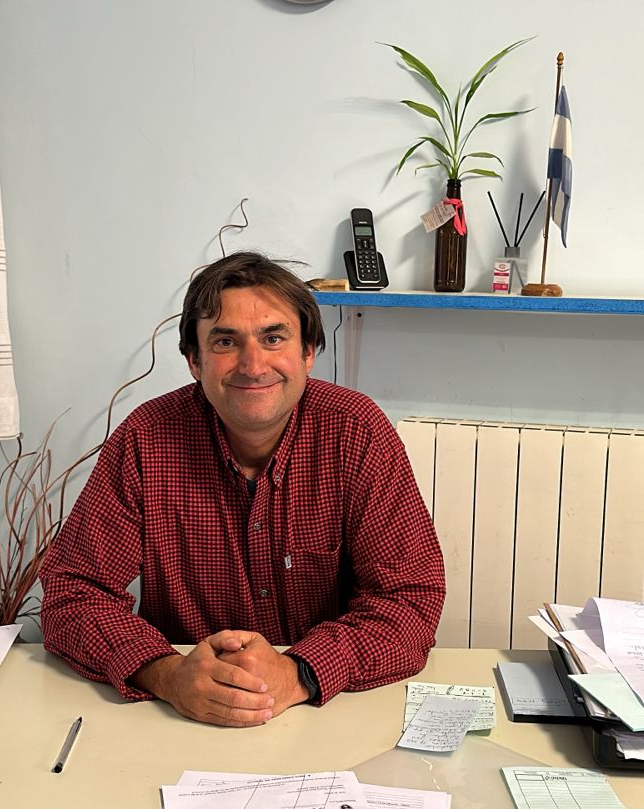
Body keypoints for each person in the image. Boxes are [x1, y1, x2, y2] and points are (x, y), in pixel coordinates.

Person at [39, 251, 445, 727]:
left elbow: (410, 597)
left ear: (308, 353)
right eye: (226, 341)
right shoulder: (146, 438)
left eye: (273, 338)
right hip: (179, 717)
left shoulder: (358, 433)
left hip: (324, 711)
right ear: (194, 361)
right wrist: (166, 674)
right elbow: (72, 592)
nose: (253, 366)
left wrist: (298, 672)